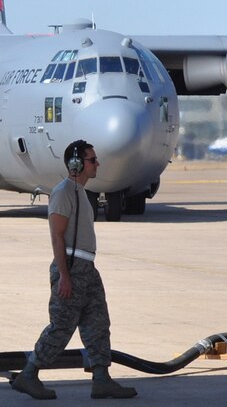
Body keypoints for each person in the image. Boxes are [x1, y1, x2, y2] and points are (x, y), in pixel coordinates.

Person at [11, 140, 137, 400]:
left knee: (98, 323)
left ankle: (101, 379)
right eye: (92, 160)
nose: (97, 164)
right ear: (76, 164)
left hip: (87, 268)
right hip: (71, 268)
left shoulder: (80, 193)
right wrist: (65, 277)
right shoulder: (63, 192)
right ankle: (29, 374)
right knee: (61, 327)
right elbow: (57, 237)